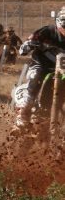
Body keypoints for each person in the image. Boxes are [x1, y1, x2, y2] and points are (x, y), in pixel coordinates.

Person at [11, 7, 65, 135]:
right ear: (59, 22)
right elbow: (24, 47)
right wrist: (29, 45)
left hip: (62, 70)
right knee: (37, 76)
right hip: (41, 65)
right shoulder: (47, 31)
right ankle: (23, 114)